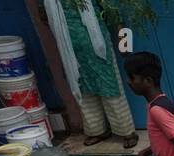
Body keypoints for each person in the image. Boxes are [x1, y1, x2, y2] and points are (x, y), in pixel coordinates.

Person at [43, 0, 137, 147]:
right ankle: (97, 131)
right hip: (71, 51)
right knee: (83, 89)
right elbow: (45, 16)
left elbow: (114, 12)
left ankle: (127, 132)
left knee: (110, 86)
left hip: (97, 46)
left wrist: (124, 42)